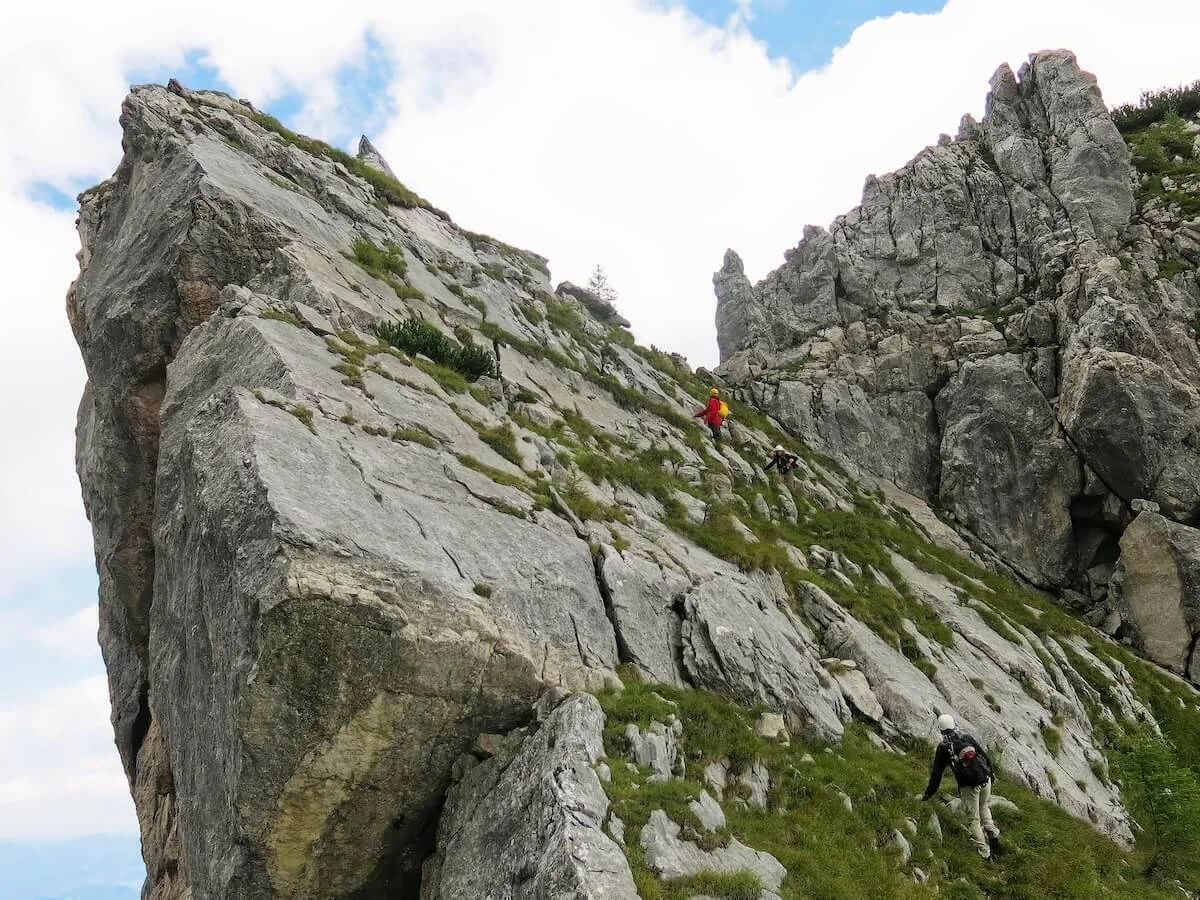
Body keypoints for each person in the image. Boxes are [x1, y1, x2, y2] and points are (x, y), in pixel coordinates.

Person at [921, 713, 1001, 859]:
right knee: (984, 807)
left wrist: (928, 794)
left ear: (940, 729)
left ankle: (984, 852)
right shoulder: (967, 738)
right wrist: (992, 774)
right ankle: (992, 832)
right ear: (954, 724)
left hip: (968, 787)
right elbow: (984, 756)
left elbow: (936, 774)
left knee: (974, 820)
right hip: (985, 778)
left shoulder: (944, 747)